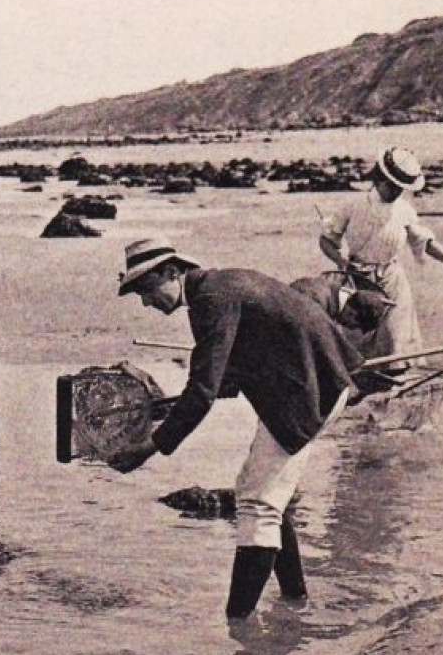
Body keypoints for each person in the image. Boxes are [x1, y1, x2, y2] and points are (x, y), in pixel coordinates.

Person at [109, 238, 364, 620]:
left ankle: (238, 625)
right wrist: (168, 409)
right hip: (312, 385)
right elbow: (226, 378)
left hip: (311, 394)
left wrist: (148, 447)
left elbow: (204, 391)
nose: (146, 302)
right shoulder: (221, 286)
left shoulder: (211, 301)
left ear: (173, 271)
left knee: (258, 504)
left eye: (147, 289)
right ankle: (295, 600)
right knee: (262, 494)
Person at [317, 147, 443, 361]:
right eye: (393, 187)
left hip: (392, 283)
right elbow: (326, 240)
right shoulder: (352, 206)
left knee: (395, 342)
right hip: (357, 282)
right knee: (356, 343)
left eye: (402, 189)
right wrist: (340, 259)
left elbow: (426, 243)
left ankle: (396, 388)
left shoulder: (404, 211)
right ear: (379, 179)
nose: (397, 193)